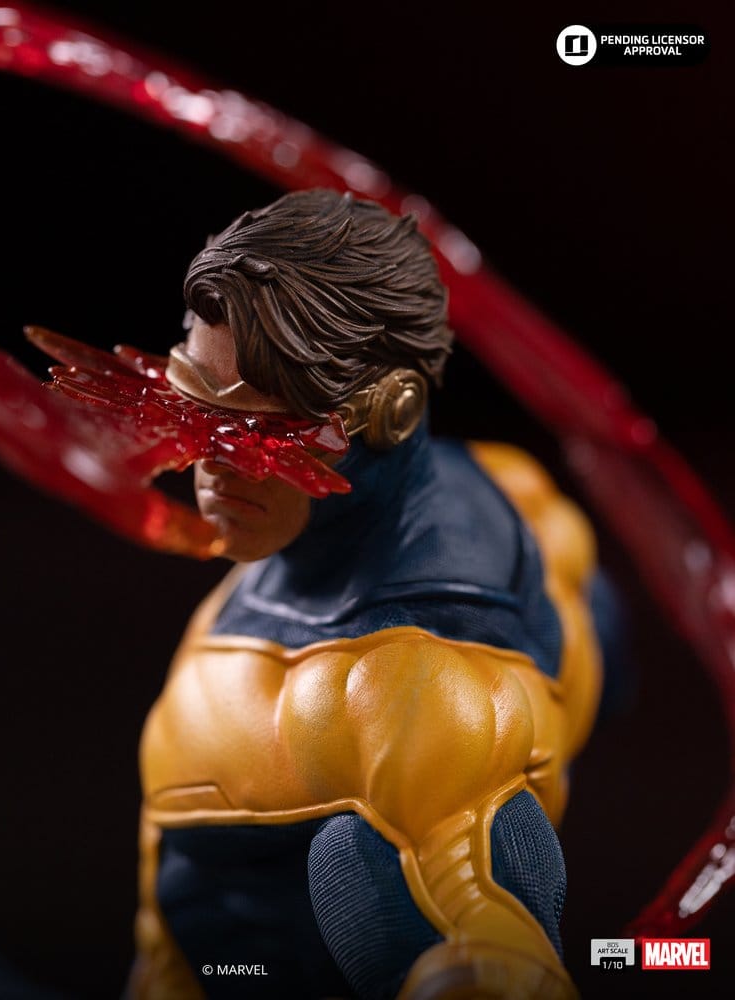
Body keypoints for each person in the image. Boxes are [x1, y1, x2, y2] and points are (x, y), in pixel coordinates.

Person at [130, 190, 603, 1000]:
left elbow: (494, 943)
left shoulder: (404, 686)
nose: (209, 466)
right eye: (190, 409)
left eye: (262, 436)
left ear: (391, 410)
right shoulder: (508, 484)